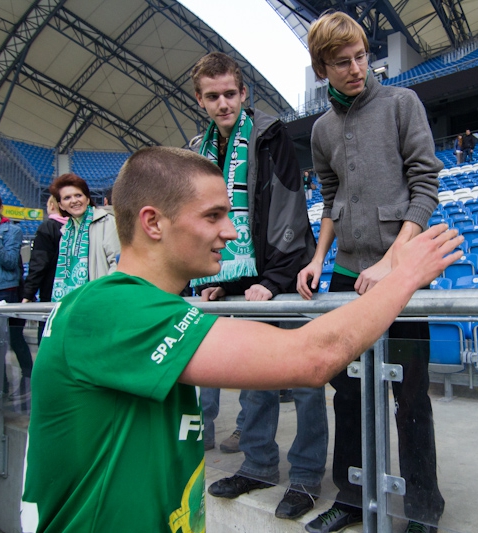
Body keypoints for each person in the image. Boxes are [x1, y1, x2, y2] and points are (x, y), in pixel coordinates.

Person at [21, 145, 462, 533]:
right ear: (153, 223)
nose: (231, 232)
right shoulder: (111, 310)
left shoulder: (135, 307)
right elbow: (311, 356)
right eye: (213, 216)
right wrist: (403, 276)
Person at [298, 11, 446, 533]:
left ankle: (424, 507)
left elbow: (425, 186)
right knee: (349, 391)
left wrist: (393, 261)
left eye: (362, 56)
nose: (357, 68)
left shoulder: (402, 104)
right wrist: (318, 258)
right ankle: (353, 497)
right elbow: (331, 200)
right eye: (343, 62)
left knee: (409, 393)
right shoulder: (320, 129)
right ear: (323, 69)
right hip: (346, 271)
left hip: (401, 270)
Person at [190, 51, 328, 521]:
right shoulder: (203, 150)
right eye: (213, 96)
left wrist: (274, 280)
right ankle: (260, 465)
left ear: (244, 94)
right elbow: (210, 221)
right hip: (242, 283)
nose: (223, 103)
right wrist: (218, 281)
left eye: (230, 93)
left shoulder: (269, 136)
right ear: (201, 100)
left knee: (303, 377)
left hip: (284, 276)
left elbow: (289, 208)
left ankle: (307, 477)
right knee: (252, 378)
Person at [0, 191, 33, 402]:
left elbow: (10, 262)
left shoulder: (11, 230)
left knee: (9, 340)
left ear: (0, 208)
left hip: (4, 290)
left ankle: (28, 379)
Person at [48, 173, 119, 302]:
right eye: (67, 197)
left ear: (87, 199)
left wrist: (103, 293)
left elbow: (117, 262)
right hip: (74, 301)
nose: (74, 200)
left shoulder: (106, 222)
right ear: (61, 205)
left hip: (100, 299)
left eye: (78, 195)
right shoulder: (66, 232)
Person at [22, 195, 68, 341]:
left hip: (50, 293)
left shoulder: (47, 227)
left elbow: (39, 264)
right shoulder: (78, 226)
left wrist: (28, 294)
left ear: (53, 206)